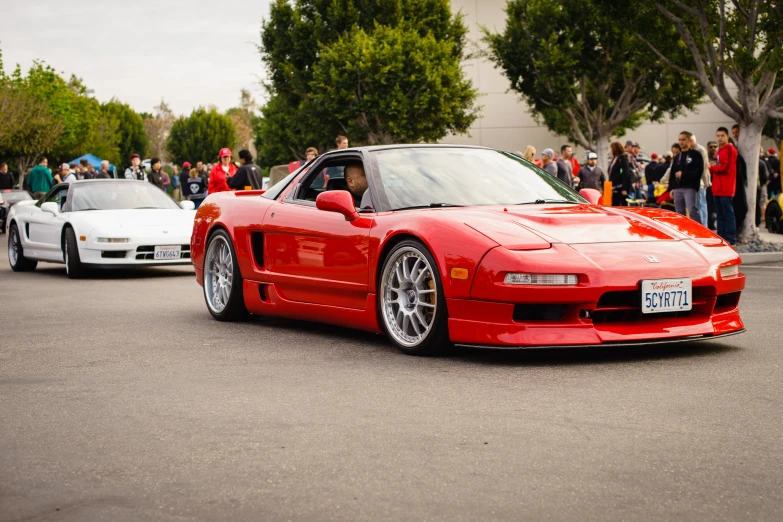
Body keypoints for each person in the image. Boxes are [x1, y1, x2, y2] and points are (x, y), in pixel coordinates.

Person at [709, 127, 737, 245]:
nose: (720, 138)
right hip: (717, 187)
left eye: (722, 135)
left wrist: (712, 168)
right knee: (720, 214)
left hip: (726, 187)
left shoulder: (730, 149)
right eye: (718, 136)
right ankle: (722, 237)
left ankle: (730, 238)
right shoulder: (719, 150)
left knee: (727, 213)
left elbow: (727, 168)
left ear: (727, 136)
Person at [671, 131, 703, 223]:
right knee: (679, 212)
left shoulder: (696, 155)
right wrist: (672, 188)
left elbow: (698, 171)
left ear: (689, 140)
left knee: (692, 209)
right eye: (679, 140)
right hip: (678, 188)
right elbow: (673, 172)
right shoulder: (678, 156)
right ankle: (682, 232)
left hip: (690, 187)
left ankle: (699, 231)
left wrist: (684, 174)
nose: (681, 142)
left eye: (683, 139)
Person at [689, 134, 712, 228]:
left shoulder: (700, 150)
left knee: (701, 204)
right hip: (695, 181)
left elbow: (702, 167)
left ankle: (704, 226)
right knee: (698, 205)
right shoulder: (693, 150)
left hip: (701, 181)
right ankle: (701, 226)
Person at [608, 141, 631, 206]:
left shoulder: (622, 158)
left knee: (621, 204)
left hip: (620, 187)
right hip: (613, 187)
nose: (610, 150)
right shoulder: (614, 158)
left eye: (611, 148)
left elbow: (625, 174)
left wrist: (624, 188)